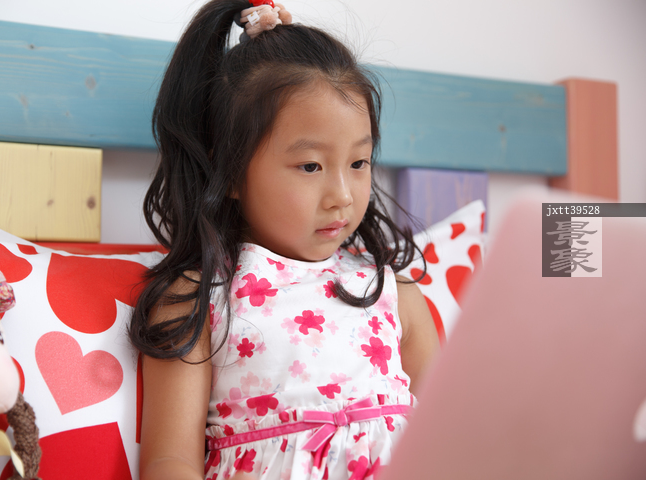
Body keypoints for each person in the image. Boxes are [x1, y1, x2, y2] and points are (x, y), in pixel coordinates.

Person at [128, 0, 439, 478]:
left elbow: (452, 434)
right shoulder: (199, 301)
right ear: (230, 171)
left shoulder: (394, 297)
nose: (342, 196)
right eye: (310, 166)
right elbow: (170, 461)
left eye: (359, 163)